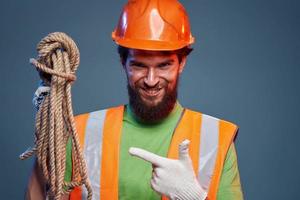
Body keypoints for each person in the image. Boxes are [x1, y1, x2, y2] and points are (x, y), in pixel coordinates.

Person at [26, 0, 243, 199]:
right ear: (123, 62)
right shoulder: (79, 133)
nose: (151, 80)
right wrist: (47, 132)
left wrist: (194, 197)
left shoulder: (215, 139)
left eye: (164, 65)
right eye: (139, 65)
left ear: (182, 62)